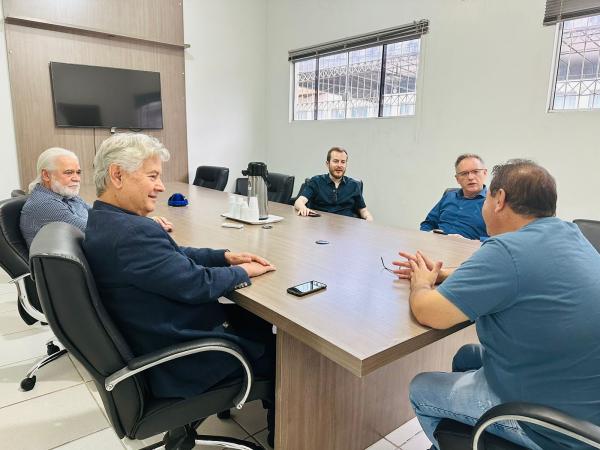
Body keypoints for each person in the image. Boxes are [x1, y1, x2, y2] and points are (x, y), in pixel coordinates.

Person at [82, 133, 277, 441]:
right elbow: (198, 284)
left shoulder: (106, 221)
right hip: (181, 358)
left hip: (157, 334)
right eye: (152, 176)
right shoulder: (132, 234)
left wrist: (223, 257)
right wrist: (242, 271)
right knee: (287, 352)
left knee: (260, 323)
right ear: (117, 175)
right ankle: (282, 433)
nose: (161, 186)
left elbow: (173, 256)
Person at [394, 160, 600, 450]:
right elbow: (514, 274)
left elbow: (429, 312)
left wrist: (421, 283)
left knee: (421, 387)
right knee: (466, 356)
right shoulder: (571, 234)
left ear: (499, 199)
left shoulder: (506, 250)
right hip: (584, 406)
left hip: (549, 425)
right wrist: (441, 274)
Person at [20, 147, 172, 247]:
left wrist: (145, 221)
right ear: (46, 175)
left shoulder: (67, 196)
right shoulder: (44, 204)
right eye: (68, 172)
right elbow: (95, 230)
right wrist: (144, 224)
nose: (76, 178)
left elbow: (101, 217)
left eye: (78, 172)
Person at [420, 154, 488, 240]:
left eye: (475, 172)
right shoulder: (449, 196)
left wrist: (470, 242)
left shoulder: (493, 202)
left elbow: (498, 239)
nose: (470, 177)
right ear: (457, 179)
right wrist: (429, 237)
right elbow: (428, 224)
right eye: (464, 173)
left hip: (468, 247)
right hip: (438, 243)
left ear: (485, 173)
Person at [294, 147, 373, 221]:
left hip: (346, 227)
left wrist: (369, 219)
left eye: (343, 162)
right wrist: (303, 208)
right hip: (319, 226)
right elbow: (299, 201)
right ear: (327, 163)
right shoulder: (316, 181)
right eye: (335, 161)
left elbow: (363, 210)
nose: (339, 165)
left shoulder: (354, 185)